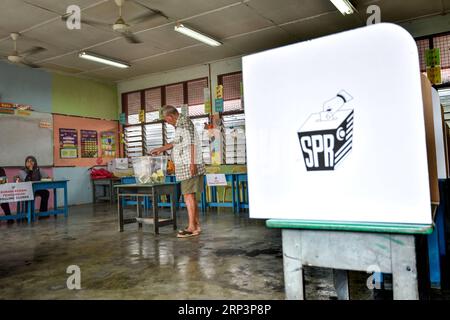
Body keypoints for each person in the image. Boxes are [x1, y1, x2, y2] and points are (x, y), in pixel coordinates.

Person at [150, 105, 205, 238]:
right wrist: (161, 148)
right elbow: (176, 142)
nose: (166, 122)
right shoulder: (181, 124)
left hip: (188, 165)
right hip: (185, 165)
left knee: (188, 195)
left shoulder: (184, 123)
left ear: (170, 116)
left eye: (166, 119)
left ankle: (192, 227)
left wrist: (192, 164)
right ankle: (195, 225)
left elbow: (193, 143)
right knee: (190, 195)